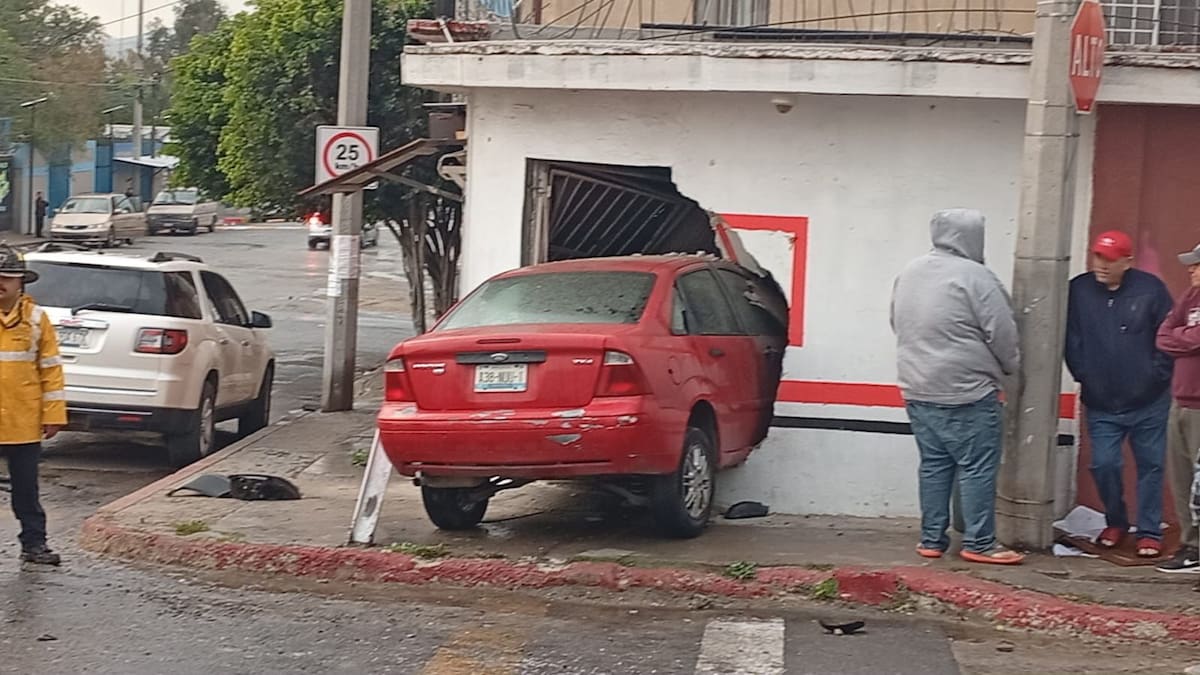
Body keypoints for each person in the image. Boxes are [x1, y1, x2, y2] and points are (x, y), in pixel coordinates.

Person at [891, 208, 1024, 565]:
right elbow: (1003, 331)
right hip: (967, 390)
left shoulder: (910, 271)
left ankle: (931, 539)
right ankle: (979, 542)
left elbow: (896, 321)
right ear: (971, 237)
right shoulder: (977, 277)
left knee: (934, 464)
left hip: (917, 388)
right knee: (977, 466)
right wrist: (1011, 369)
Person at [1066, 231, 1174, 558]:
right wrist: (1084, 374)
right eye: (1098, 256)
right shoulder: (1079, 290)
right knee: (1105, 464)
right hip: (1101, 402)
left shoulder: (1151, 290)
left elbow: (1167, 336)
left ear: (1127, 262)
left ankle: (1149, 532)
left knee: (1151, 466)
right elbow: (1071, 338)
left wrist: (1156, 377)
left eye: (1110, 260)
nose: (1102, 265)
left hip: (1149, 401)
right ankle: (1116, 520)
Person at [0, 244, 66, 566]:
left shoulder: (38, 320)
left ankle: (34, 545)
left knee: (26, 490)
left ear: (21, 282)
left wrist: (54, 415)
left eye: (7, 277)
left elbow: (51, 370)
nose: (1, 282)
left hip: (23, 421)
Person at [1156, 242, 1200, 573]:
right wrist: (1190, 337)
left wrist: (1182, 337)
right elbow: (1163, 336)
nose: (1191, 269)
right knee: (1182, 479)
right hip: (1180, 401)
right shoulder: (1189, 298)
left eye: (1197, 264)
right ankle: (1190, 544)